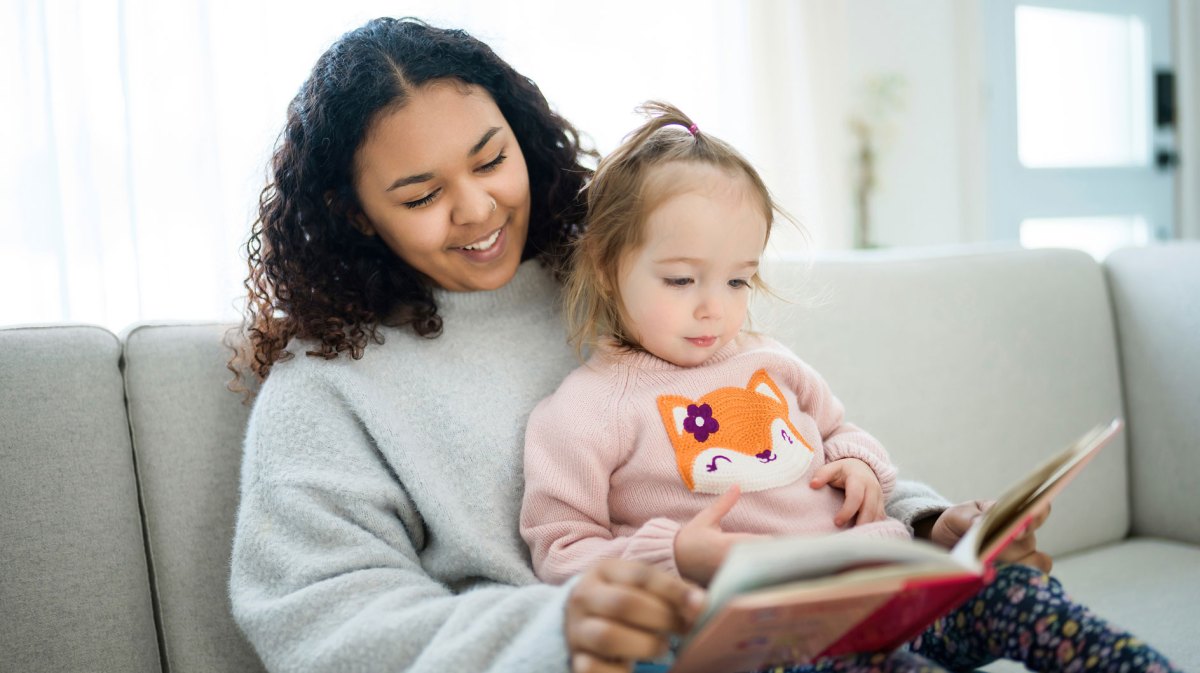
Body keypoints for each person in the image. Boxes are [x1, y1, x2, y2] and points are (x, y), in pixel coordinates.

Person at [226, 16, 1068, 673]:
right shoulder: (327, 385)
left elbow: (782, 438)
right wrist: (558, 628)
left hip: (798, 611)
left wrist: (928, 521)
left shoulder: (622, 273)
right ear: (352, 213)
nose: (479, 209)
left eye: (492, 159)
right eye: (421, 195)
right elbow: (320, 619)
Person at [518, 101, 1181, 673]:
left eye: (738, 280)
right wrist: (675, 552)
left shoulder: (769, 361)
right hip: (771, 639)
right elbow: (560, 552)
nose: (713, 308)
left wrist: (858, 464)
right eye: (682, 280)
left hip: (884, 590)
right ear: (606, 267)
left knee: (1021, 594)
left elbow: (840, 429)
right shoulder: (583, 411)